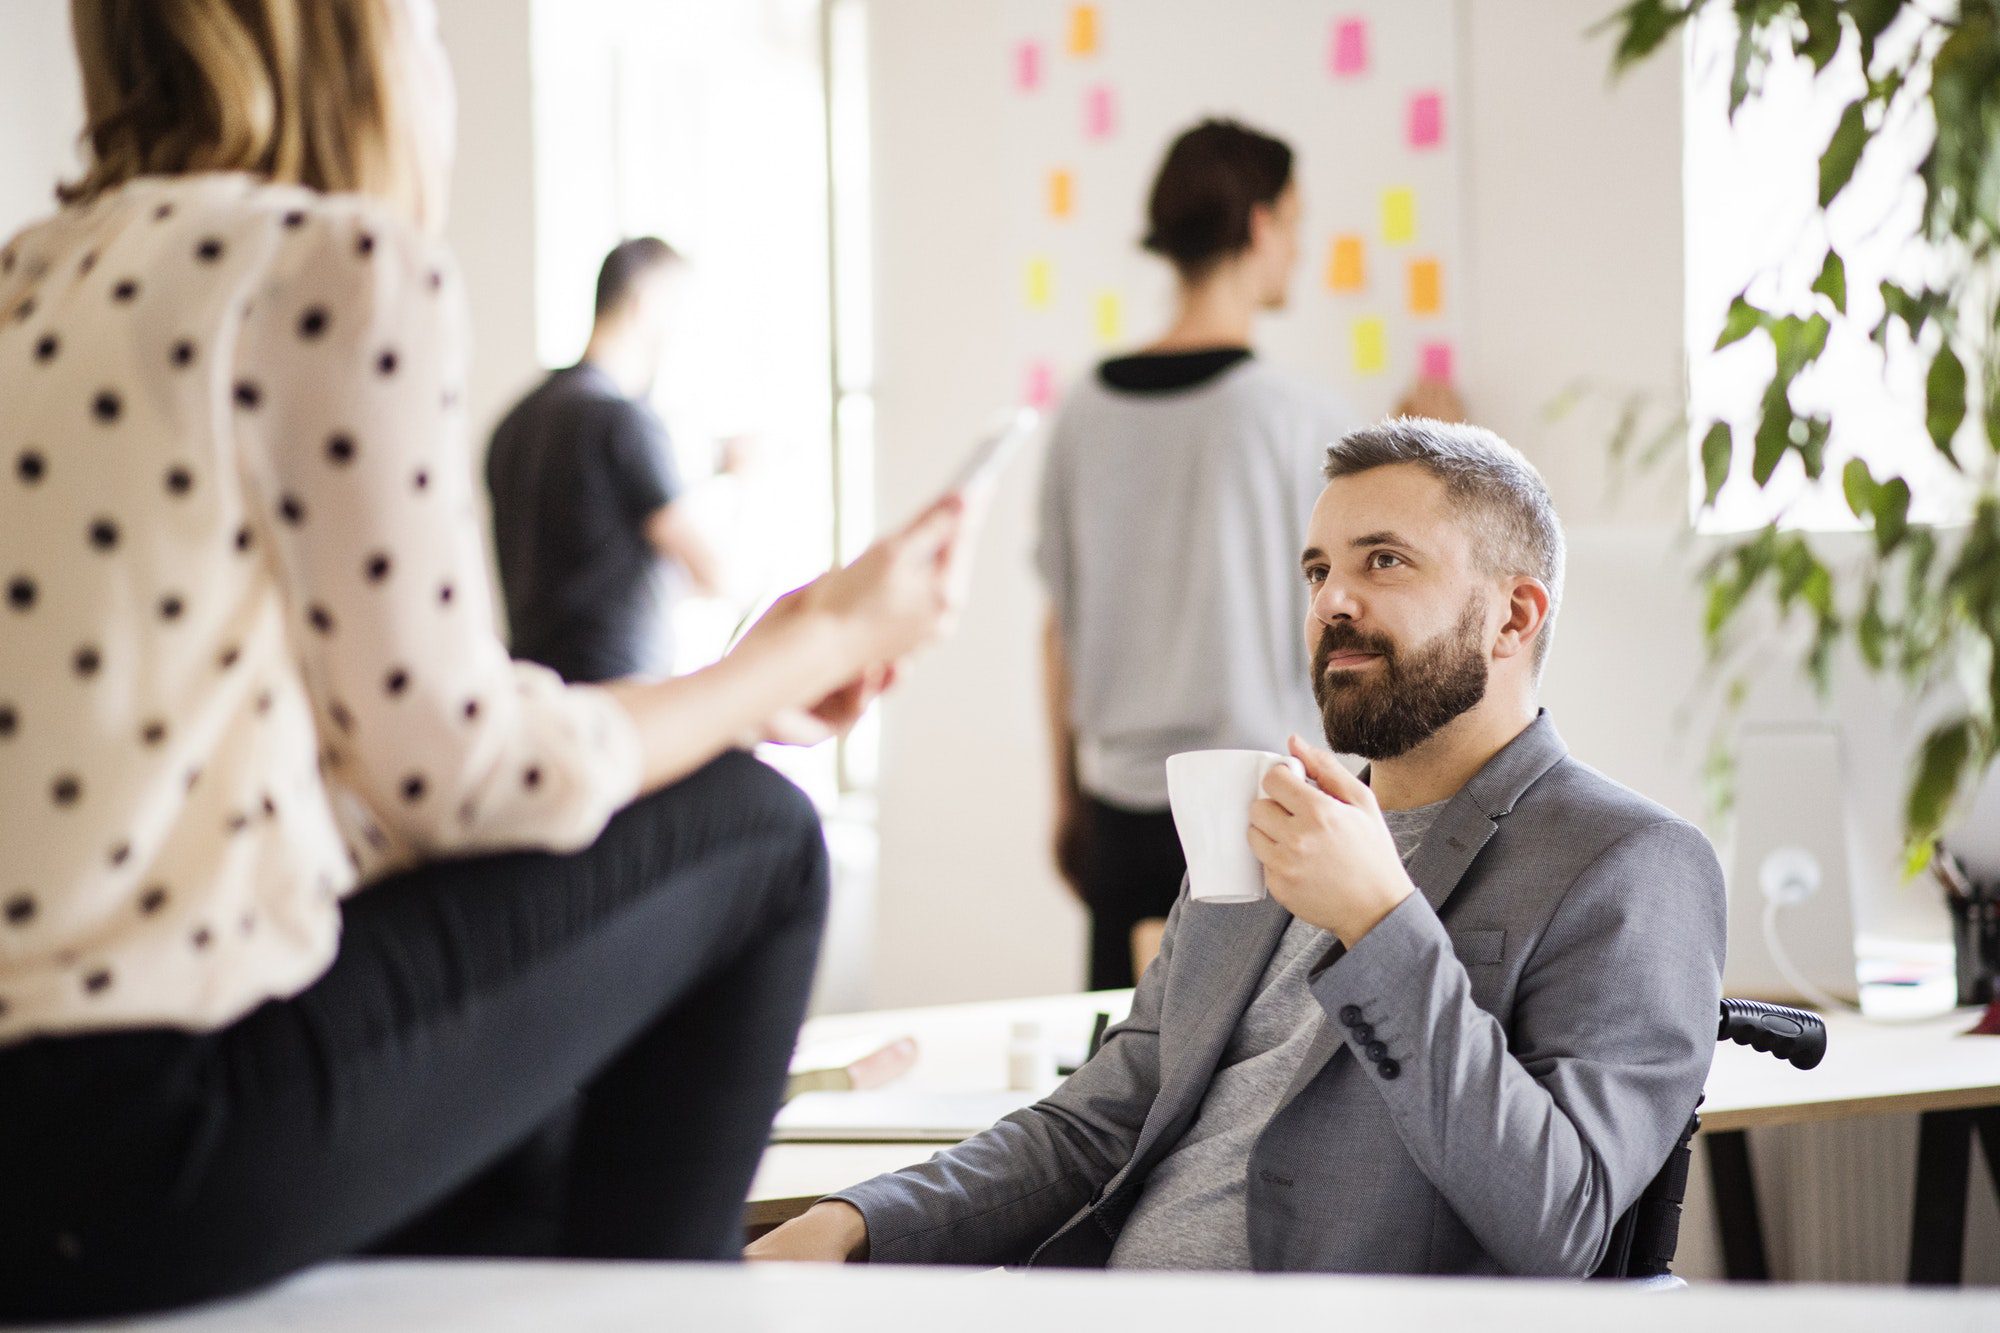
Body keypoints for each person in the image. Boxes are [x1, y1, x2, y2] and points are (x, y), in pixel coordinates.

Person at [0, 0, 966, 1318]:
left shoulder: (30, 280)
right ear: (360, 40)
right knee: (757, 839)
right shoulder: (327, 265)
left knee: (536, 1138)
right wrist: (809, 647)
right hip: (157, 1140)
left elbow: (355, 747)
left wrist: (731, 690)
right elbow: (452, 773)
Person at [750, 418, 1727, 1276]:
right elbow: (1099, 1118)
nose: (1331, 602)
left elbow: (1559, 1221)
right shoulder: (1257, 826)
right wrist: (854, 1221)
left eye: (1381, 561)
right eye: (1317, 570)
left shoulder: (1628, 865)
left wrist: (1381, 924)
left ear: (1513, 614)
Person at [1037, 119, 1359, 992]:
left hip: (1118, 810)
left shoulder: (1081, 412)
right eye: (1295, 222)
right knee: (1244, 1098)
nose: (1299, 246)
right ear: (1259, 227)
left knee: (1116, 1103)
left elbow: (1058, 629)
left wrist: (1066, 803)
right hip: (1254, 813)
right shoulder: (1297, 420)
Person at [486, 236, 726, 684]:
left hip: (533, 696)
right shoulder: (623, 423)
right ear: (646, 303)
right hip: (620, 701)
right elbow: (714, 572)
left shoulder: (515, 422)